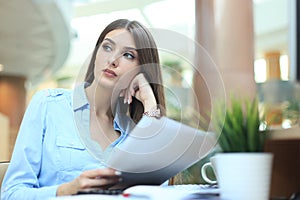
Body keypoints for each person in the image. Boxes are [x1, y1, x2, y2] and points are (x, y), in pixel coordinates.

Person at [1, 19, 166, 199]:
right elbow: (11, 193)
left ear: (141, 71)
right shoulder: (49, 104)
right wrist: (66, 190)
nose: (112, 60)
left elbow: (156, 192)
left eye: (128, 55)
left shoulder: (136, 132)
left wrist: (150, 105)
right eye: (107, 47)